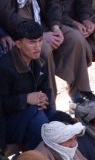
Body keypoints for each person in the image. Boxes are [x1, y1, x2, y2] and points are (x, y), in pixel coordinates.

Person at [0, 20, 60, 150]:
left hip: (35, 113)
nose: (37, 47)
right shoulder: (4, 68)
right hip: (9, 124)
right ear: (18, 44)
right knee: (41, 126)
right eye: (32, 42)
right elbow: (2, 104)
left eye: (40, 40)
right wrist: (26, 99)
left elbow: (46, 89)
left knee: (64, 121)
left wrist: (43, 99)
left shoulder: (39, 60)